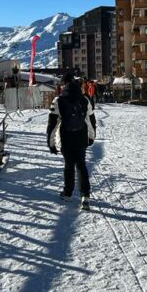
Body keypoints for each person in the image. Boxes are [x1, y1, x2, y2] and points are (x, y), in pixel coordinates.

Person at [47, 72, 97, 210]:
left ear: (64, 84)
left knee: (69, 165)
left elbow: (52, 125)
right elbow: (91, 120)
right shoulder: (84, 99)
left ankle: (68, 193)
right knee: (81, 165)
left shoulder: (58, 100)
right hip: (81, 136)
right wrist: (91, 136)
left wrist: (51, 143)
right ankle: (85, 197)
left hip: (66, 137)